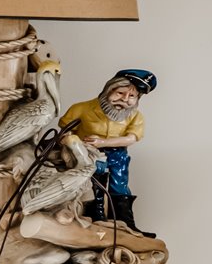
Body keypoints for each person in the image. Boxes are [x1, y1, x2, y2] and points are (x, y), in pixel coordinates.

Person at [61, 69, 157, 233]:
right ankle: (95, 218)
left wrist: (104, 142)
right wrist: (72, 144)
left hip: (117, 154)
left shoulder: (135, 116)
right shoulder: (81, 108)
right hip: (88, 154)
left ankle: (125, 223)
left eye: (132, 96)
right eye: (120, 93)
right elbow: (65, 132)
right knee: (94, 184)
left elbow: (132, 138)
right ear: (109, 90)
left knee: (119, 185)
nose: (125, 100)